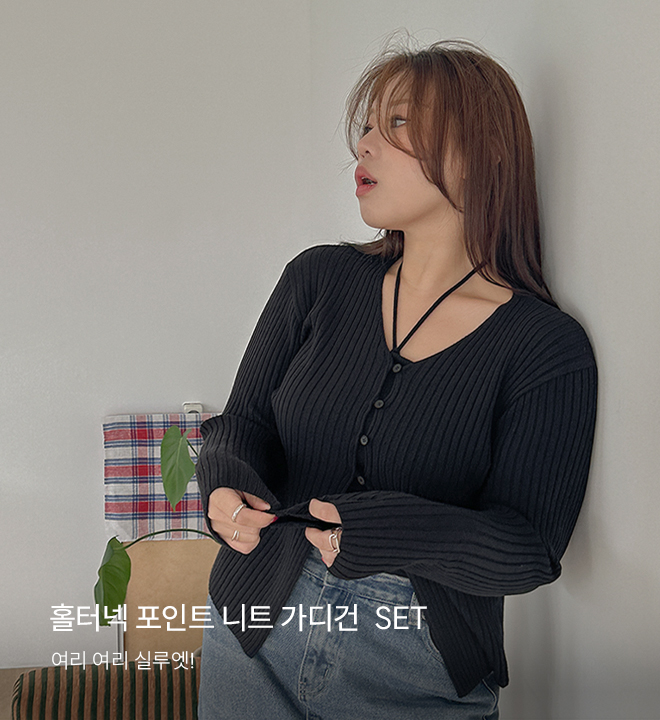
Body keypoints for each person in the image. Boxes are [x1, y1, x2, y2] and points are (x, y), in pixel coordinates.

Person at [196, 38, 598, 720]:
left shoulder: (543, 347)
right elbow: (244, 424)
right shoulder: (318, 279)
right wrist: (224, 486)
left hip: (411, 662)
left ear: (483, 151)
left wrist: (384, 531)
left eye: (399, 123)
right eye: (366, 127)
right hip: (252, 625)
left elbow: (529, 549)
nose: (365, 146)